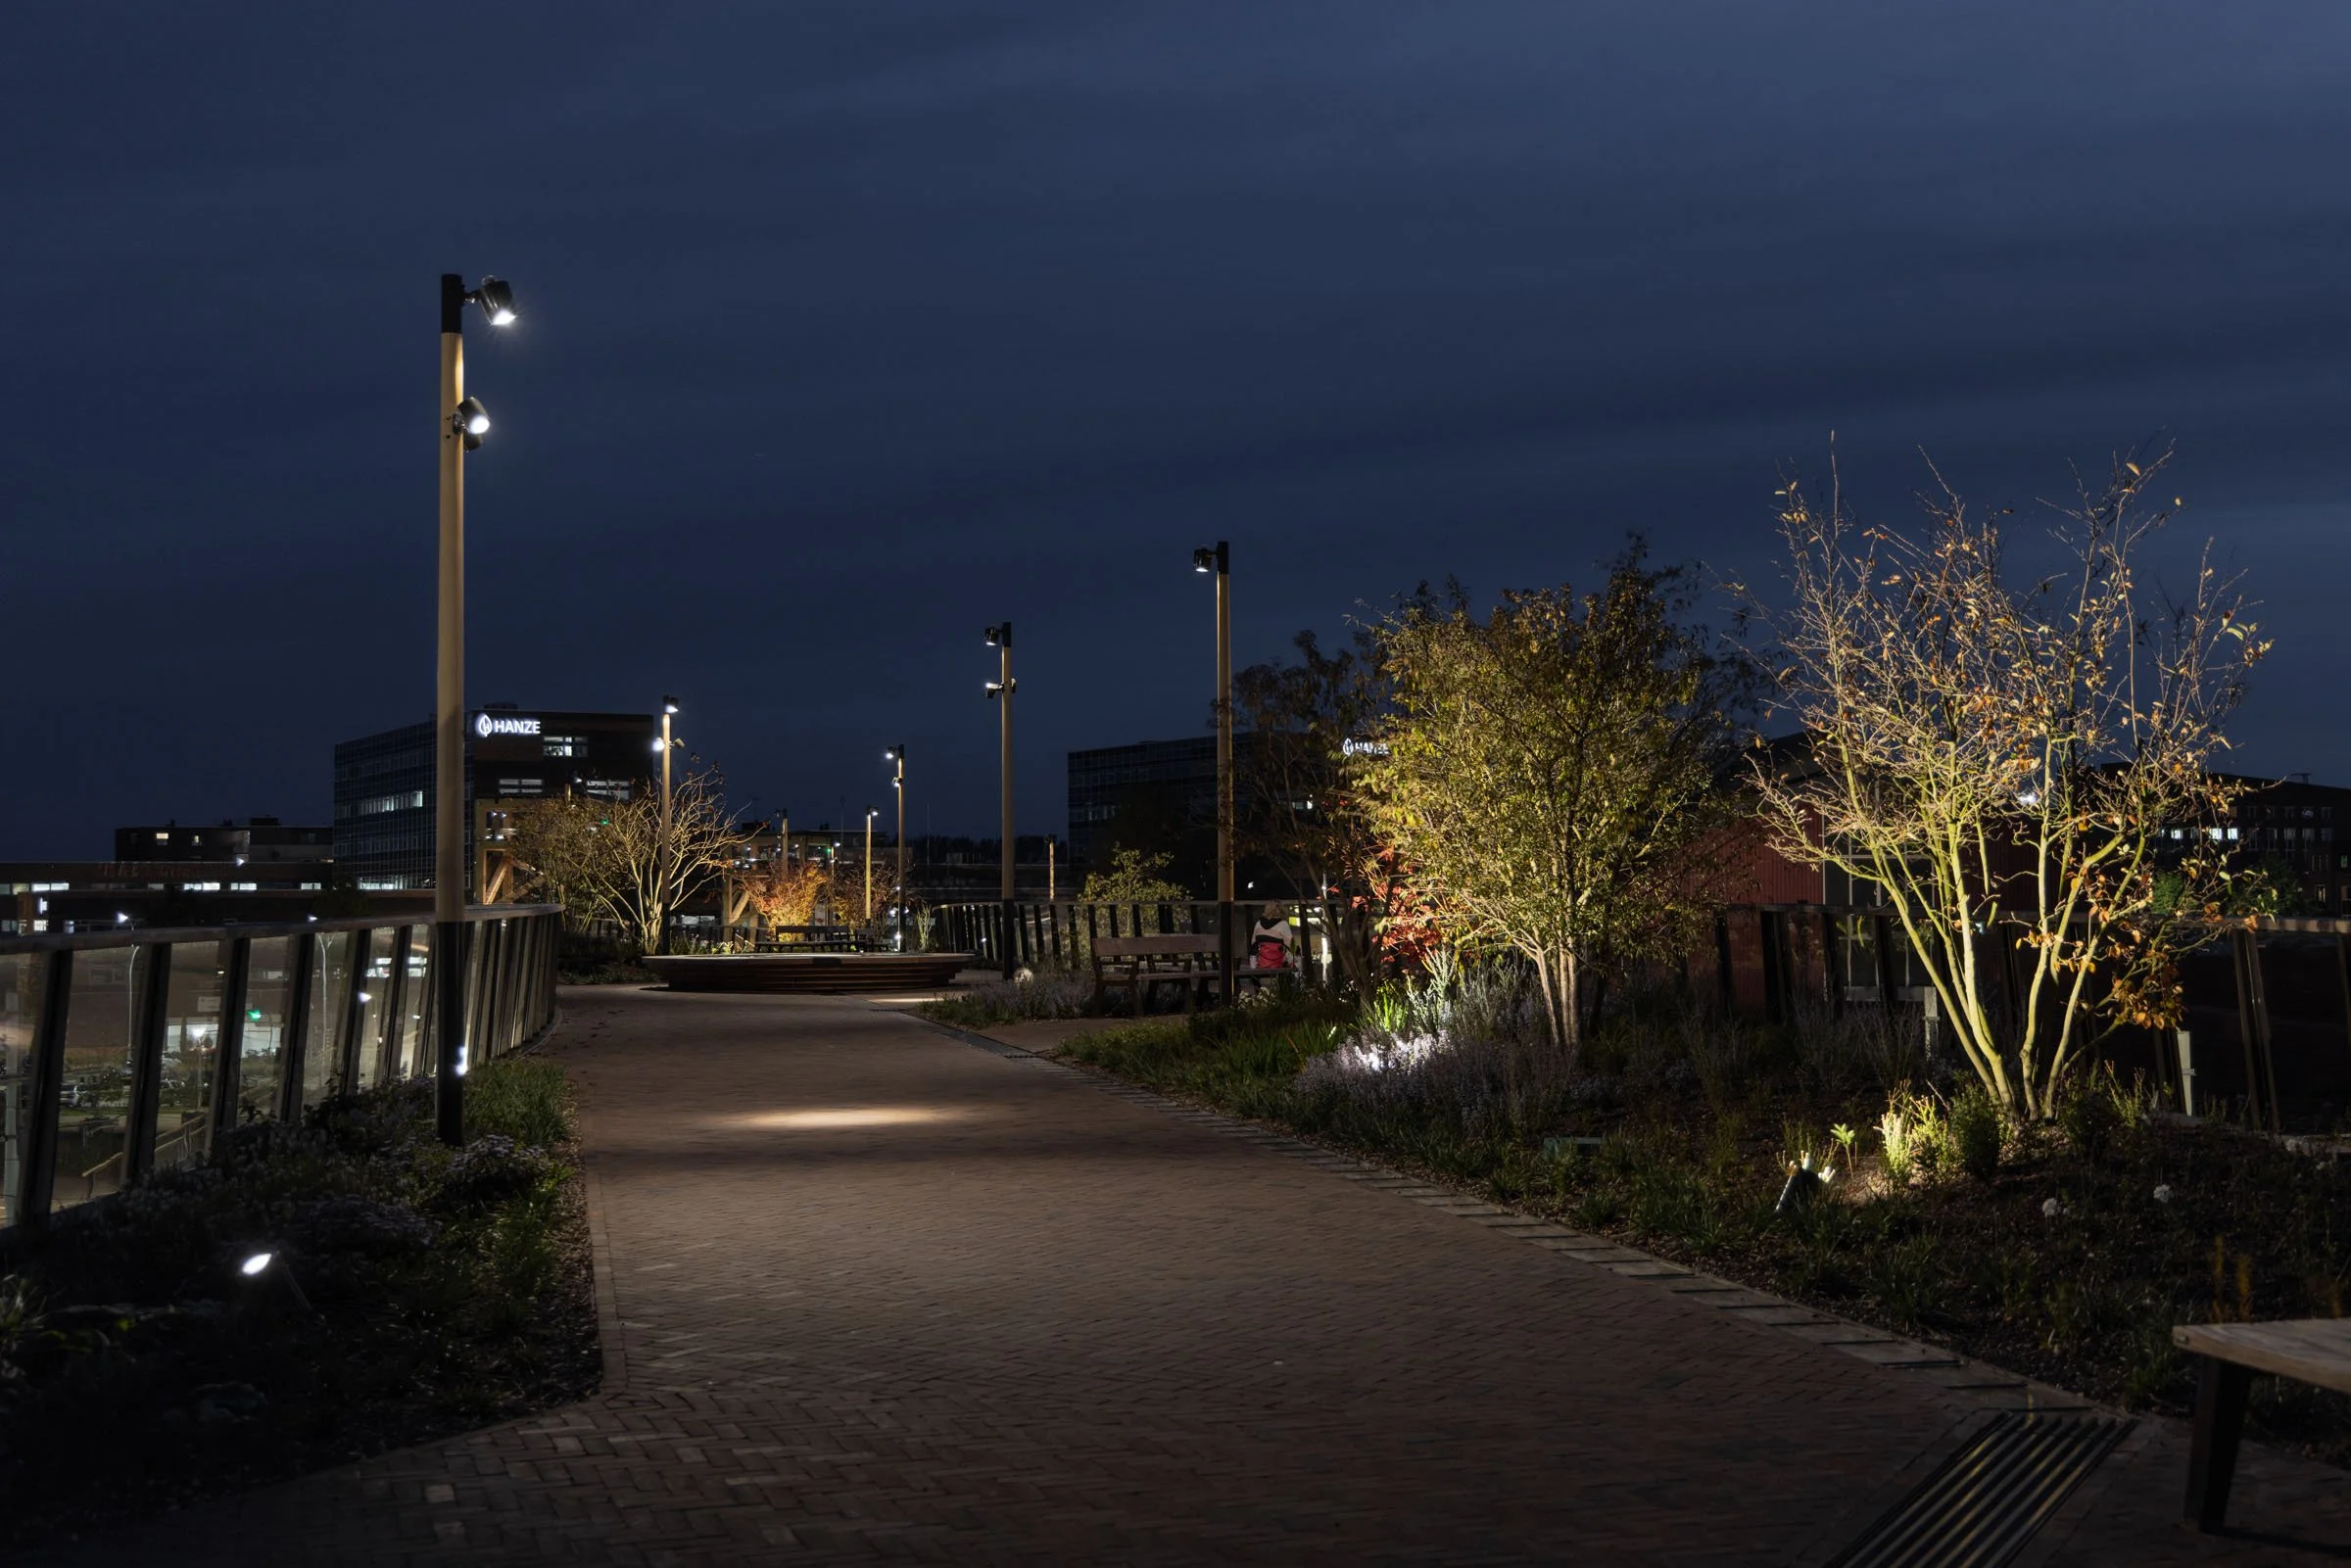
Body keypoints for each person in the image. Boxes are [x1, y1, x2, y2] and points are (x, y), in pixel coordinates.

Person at [1248, 903, 1293, 971]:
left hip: (1262, 963)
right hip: (1278, 963)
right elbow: (1291, 945)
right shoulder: (1283, 924)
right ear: (1282, 911)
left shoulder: (1258, 923)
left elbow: (1253, 943)